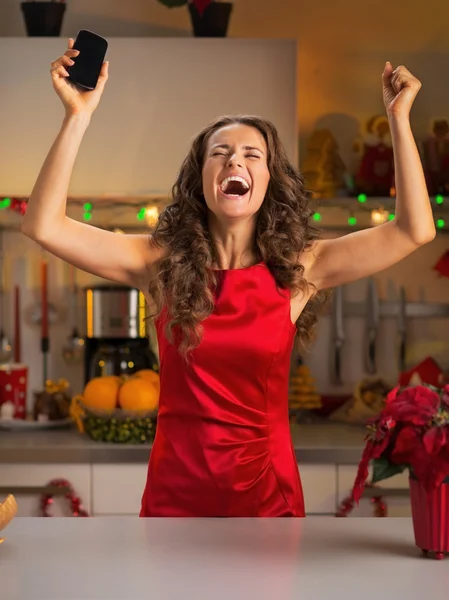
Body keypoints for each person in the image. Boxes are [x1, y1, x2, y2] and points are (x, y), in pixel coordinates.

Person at [22, 40, 435, 518]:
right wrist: (77, 115)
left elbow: (414, 230)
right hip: (174, 497)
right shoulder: (159, 263)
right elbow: (44, 225)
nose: (235, 161)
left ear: (268, 179)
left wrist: (399, 120)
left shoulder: (300, 270)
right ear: (202, 178)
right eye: (220, 153)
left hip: (268, 500)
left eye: (251, 155)